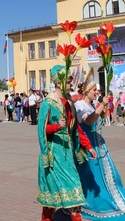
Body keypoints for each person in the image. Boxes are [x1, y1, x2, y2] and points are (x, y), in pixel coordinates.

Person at [74, 82, 125, 221]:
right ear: (85, 91)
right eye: (94, 90)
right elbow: (88, 121)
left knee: (111, 176)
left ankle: (117, 203)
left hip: (99, 144)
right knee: (96, 178)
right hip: (90, 147)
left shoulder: (90, 105)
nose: (96, 92)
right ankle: (100, 206)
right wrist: (101, 105)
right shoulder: (80, 105)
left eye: (97, 90)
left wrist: (100, 109)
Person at [37, 85, 97, 221]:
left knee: (74, 188)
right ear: (59, 82)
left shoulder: (70, 103)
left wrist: (88, 146)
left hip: (67, 154)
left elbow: (76, 128)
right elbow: (41, 129)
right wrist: (56, 126)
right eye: (69, 81)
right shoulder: (48, 102)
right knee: (52, 191)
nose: (71, 84)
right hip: (53, 152)